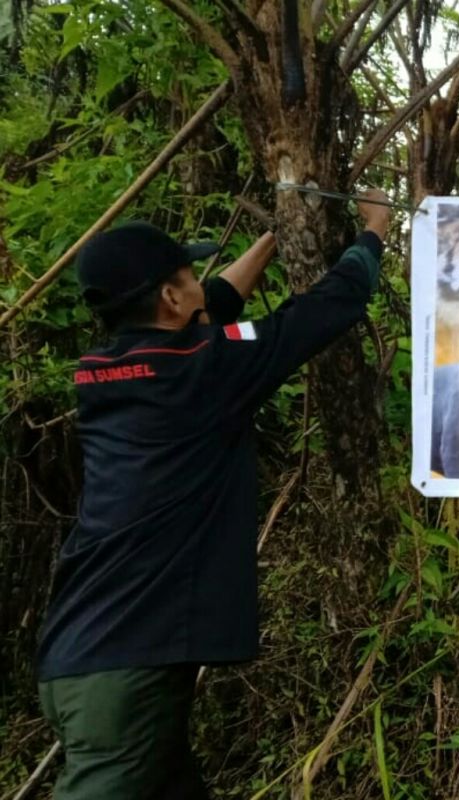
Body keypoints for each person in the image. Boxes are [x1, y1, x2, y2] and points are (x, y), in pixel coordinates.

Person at [35, 190, 391, 799]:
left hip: (88, 651)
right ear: (171, 298)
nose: (204, 285)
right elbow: (328, 306)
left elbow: (217, 307)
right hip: (124, 670)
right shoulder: (205, 369)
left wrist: (278, 232)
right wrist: (374, 233)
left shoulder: (106, 369)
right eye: (189, 277)